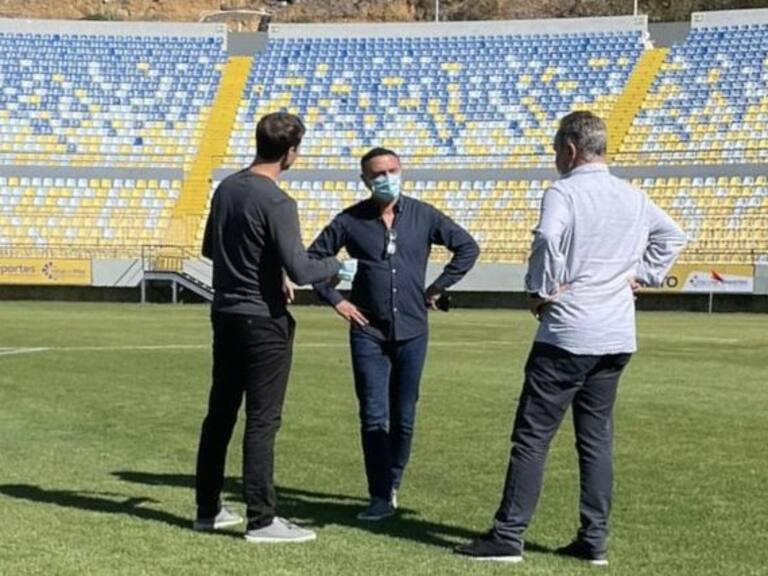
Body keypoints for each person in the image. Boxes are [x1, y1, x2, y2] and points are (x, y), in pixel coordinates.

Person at [455, 111, 687, 565]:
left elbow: (547, 235)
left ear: (570, 149)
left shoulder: (564, 191)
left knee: (533, 437)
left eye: (556, 150)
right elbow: (673, 235)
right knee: (596, 439)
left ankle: (508, 534)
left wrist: (540, 291)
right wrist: (644, 274)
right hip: (617, 333)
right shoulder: (632, 196)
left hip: (569, 331)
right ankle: (594, 539)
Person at [193, 112, 355, 543]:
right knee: (263, 419)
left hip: (225, 312)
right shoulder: (277, 201)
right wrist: (338, 263)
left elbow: (211, 246)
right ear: (291, 153)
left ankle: (207, 509)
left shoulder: (227, 188)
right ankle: (262, 519)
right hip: (263, 320)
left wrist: (269, 273)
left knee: (220, 414)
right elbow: (302, 269)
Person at [308, 147, 480, 521]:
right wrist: (336, 299)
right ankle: (380, 495)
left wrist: (437, 287)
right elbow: (312, 260)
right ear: (366, 180)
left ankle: (394, 481)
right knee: (373, 415)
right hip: (367, 330)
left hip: (414, 330)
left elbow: (467, 247)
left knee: (404, 416)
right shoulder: (350, 220)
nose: (386, 177)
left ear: (401, 171)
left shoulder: (423, 215)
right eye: (378, 173)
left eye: (392, 170)